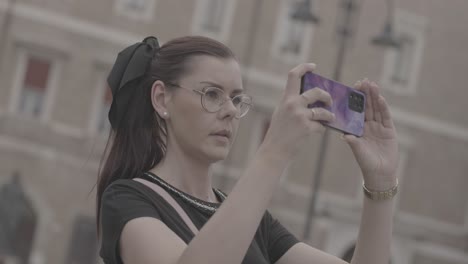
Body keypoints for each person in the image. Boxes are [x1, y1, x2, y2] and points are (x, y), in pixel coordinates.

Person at [96, 35, 399, 264]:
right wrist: (275, 150)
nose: (229, 110)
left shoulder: (256, 222)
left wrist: (380, 182)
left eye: (237, 99)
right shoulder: (127, 199)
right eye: (212, 94)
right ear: (162, 99)